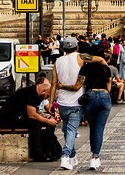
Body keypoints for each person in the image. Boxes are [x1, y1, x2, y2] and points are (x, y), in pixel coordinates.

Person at [62, 42, 113, 171]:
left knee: (93, 127)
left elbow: (78, 85)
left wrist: (62, 86)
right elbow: (109, 86)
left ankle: (93, 158)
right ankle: (95, 158)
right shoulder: (105, 68)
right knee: (99, 129)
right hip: (104, 96)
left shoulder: (85, 68)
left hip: (90, 97)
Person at [0, 75, 61, 162]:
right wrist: (48, 121)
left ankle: (48, 149)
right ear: (43, 91)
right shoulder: (32, 93)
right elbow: (32, 115)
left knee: (42, 123)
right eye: (47, 95)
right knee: (34, 123)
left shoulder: (37, 93)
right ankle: (37, 153)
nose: (47, 98)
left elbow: (37, 112)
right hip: (7, 121)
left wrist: (52, 115)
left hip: (18, 118)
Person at [50, 36, 85, 170]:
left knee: (67, 130)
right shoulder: (80, 58)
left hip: (62, 102)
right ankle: (65, 156)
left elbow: (53, 83)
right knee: (70, 130)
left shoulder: (58, 61)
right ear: (77, 47)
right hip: (76, 102)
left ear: (64, 48)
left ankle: (72, 156)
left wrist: (51, 102)